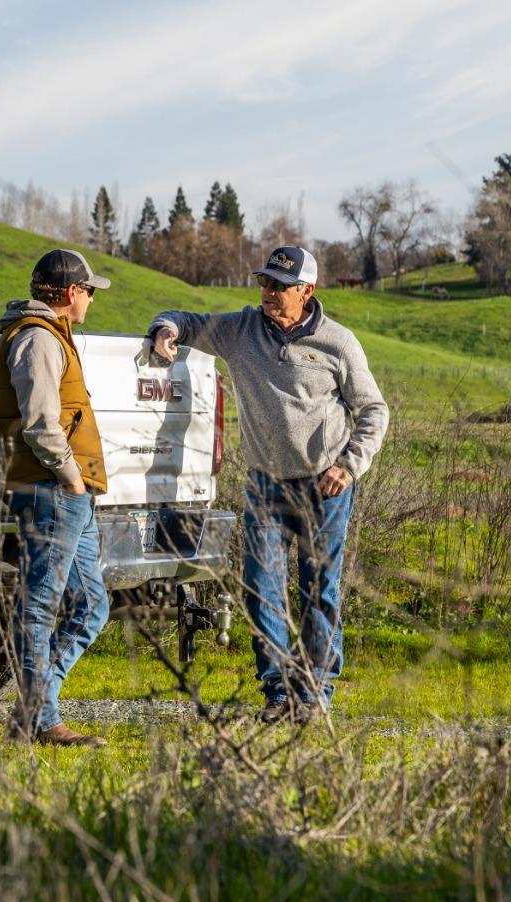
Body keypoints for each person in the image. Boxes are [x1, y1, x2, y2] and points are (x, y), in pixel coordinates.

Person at [147, 246, 389, 721]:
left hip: (325, 486)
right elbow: (184, 320)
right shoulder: (241, 330)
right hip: (265, 486)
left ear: (307, 291)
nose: (269, 292)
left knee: (319, 591)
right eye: (265, 282)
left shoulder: (338, 343)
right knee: (261, 590)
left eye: (281, 286)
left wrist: (349, 465)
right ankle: (278, 693)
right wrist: (166, 329)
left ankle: (315, 694)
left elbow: (374, 411)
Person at [0, 248, 112, 747]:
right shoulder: (38, 338)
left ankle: (33, 710)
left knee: (92, 607)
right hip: (52, 489)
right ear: (70, 293)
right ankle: (40, 721)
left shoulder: (49, 335)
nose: (91, 300)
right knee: (39, 607)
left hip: (66, 492)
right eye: (88, 291)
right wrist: (71, 476)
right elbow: (40, 422)